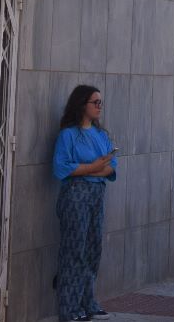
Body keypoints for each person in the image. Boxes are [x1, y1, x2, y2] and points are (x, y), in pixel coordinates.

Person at [53, 84, 116, 322]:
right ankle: (69, 308)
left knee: (92, 249)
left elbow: (110, 167)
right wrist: (93, 168)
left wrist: (88, 170)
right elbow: (62, 168)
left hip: (97, 195)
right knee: (74, 250)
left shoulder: (101, 135)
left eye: (101, 102)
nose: (99, 107)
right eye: (95, 102)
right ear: (82, 105)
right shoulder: (68, 134)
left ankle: (88, 302)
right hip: (75, 196)